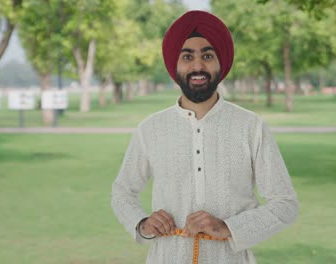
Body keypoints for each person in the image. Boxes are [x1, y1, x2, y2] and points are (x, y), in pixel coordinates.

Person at [111, 10, 299, 264]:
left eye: (207, 56)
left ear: (220, 63)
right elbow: (122, 192)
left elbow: (285, 203)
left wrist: (228, 228)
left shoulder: (250, 126)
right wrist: (142, 223)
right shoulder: (151, 128)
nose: (198, 66)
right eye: (187, 56)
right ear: (174, 64)